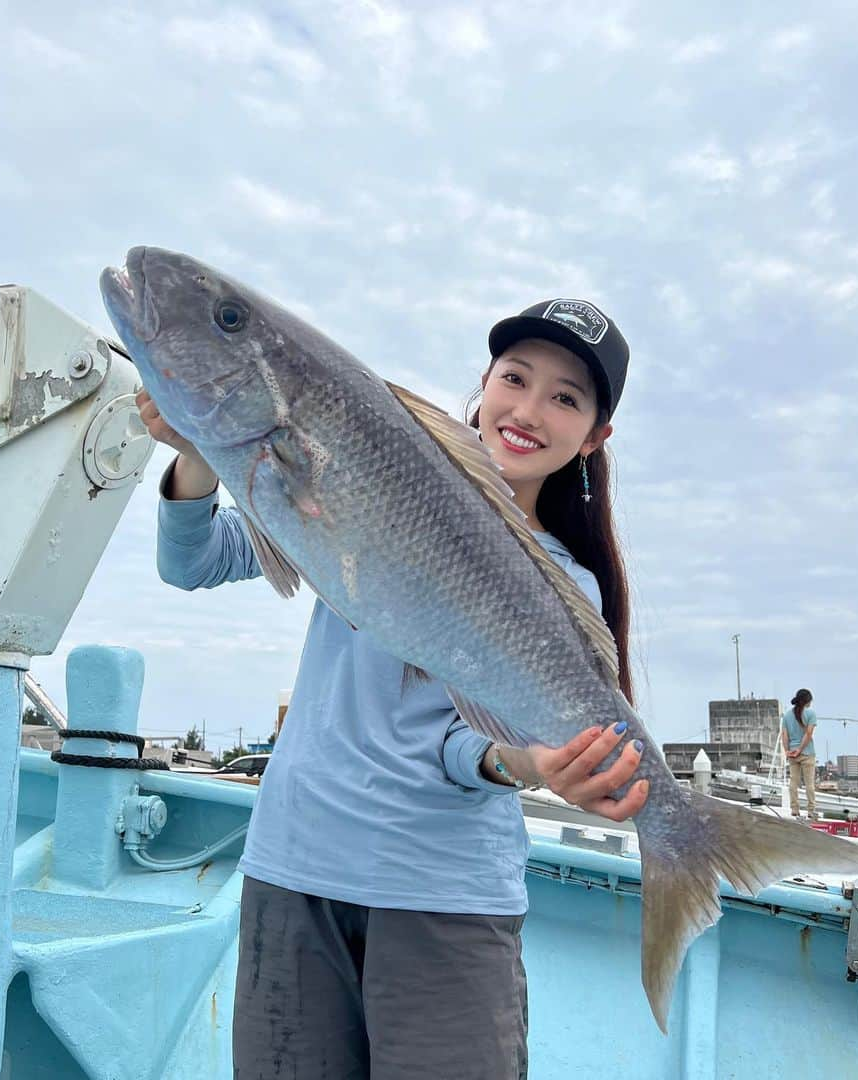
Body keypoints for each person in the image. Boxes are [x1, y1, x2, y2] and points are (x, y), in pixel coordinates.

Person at [141, 298, 648, 1080]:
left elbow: (460, 745)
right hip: (291, 871)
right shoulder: (367, 478)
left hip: (443, 900)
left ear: (595, 437)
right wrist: (197, 442)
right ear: (483, 384)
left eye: (566, 397)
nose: (528, 409)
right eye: (515, 378)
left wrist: (536, 767)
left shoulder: (565, 583)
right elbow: (194, 560)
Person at [781, 689, 818, 818]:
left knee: (793, 782)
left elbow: (784, 735)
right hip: (806, 752)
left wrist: (787, 751)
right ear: (808, 701)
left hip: (792, 753)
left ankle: (794, 809)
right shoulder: (810, 713)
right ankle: (811, 810)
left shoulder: (786, 716)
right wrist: (800, 749)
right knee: (809, 784)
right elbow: (808, 734)